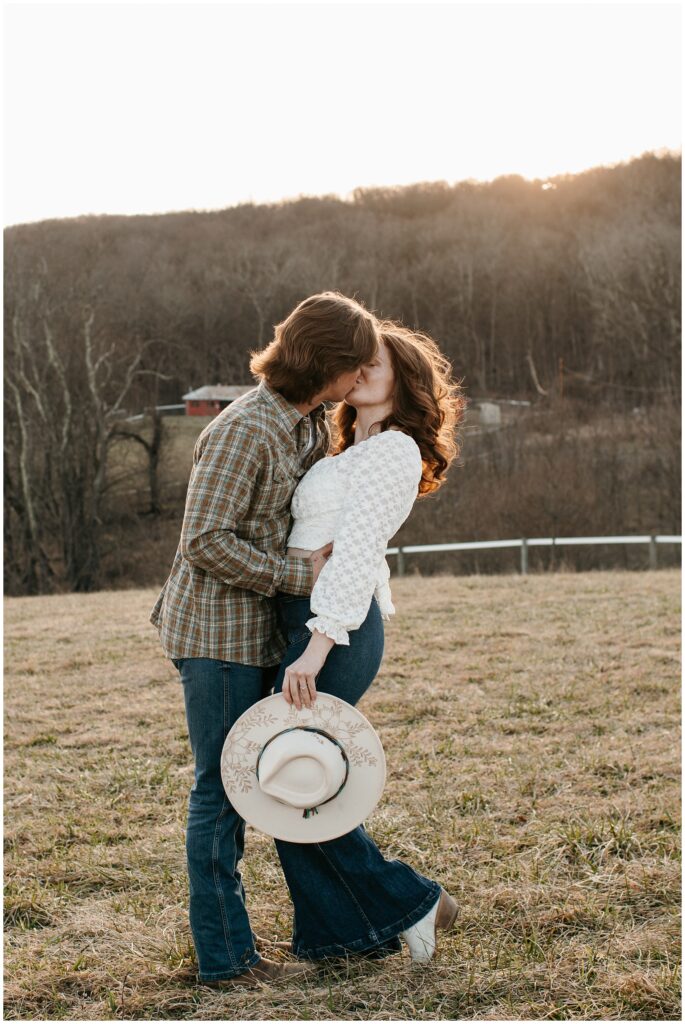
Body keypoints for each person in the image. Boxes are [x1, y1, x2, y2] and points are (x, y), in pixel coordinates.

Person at [150, 291, 380, 988]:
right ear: (325, 364)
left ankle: (329, 926)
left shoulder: (307, 422)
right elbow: (203, 541)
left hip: (260, 628)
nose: (361, 377)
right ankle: (225, 961)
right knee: (219, 792)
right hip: (215, 635)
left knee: (262, 780)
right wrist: (294, 572)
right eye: (356, 366)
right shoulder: (243, 429)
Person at [266, 320, 466, 965]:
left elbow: (355, 556)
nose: (362, 369)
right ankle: (340, 935)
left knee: (291, 776)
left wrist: (317, 645)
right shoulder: (352, 449)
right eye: (357, 361)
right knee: (293, 780)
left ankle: (411, 900)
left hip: (336, 628)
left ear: (404, 377)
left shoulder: (395, 451)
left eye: (375, 361)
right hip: (306, 615)